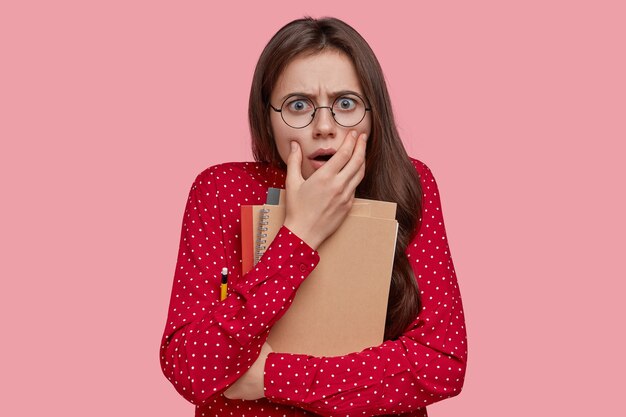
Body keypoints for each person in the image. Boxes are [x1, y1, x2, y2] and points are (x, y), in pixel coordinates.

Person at [160, 16, 467, 417]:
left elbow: (442, 364)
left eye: (345, 104)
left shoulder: (409, 183)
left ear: (373, 115)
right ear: (266, 117)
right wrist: (300, 233)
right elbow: (190, 367)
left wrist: (271, 378)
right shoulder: (220, 191)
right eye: (298, 105)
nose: (324, 127)